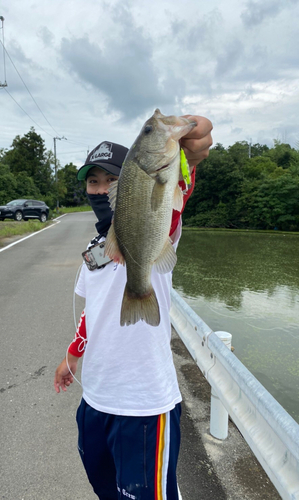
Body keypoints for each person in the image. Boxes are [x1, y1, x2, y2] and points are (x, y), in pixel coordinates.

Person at [54, 115, 213, 500]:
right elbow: (95, 312)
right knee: (106, 490)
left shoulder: (165, 221)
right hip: (95, 399)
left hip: (144, 406)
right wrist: (72, 356)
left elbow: (195, 150)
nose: (101, 188)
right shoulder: (95, 251)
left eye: (110, 179)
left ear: (128, 179)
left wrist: (190, 149)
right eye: (93, 181)